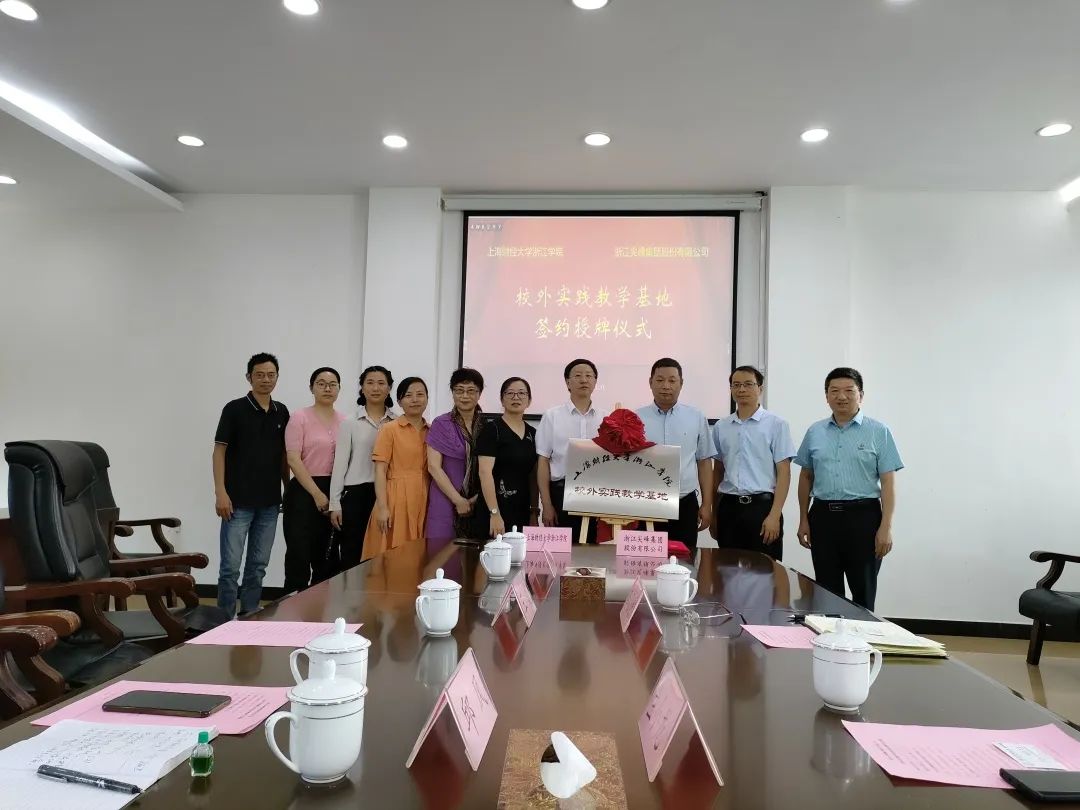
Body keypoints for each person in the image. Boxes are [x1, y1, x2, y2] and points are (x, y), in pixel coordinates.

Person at [795, 367, 903, 611]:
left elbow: (888, 483)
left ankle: (863, 636)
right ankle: (830, 635)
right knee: (826, 592)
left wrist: (886, 527)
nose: (841, 396)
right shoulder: (815, 432)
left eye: (849, 391)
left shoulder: (879, 432)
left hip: (863, 519)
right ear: (826, 396)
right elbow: (806, 476)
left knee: (863, 592)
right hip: (822, 517)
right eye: (834, 391)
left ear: (860, 395)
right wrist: (803, 519)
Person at [212, 353, 290, 617]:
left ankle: (250, 614)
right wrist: (220, 492)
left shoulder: (281, 411)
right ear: (249, 377)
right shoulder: (234, 409)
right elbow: (219, 452)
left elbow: (283, 456)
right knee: (230, 567)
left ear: (277, 377)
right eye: (259, 375)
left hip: (269, 503)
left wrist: (287, 487)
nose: (266, 380)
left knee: (258, 565)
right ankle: (223, 619)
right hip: (237, 502)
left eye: (271, 375)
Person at [711, 365, 796, 561]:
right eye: (736, 385)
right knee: (727, 569)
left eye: (748, 384)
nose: (742, 389)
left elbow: (784, 473)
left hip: (762, 508)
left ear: (760, 388)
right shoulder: (722, 426)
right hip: (729, 507)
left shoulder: (776, 425)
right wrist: (715, 514)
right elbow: (718, 472)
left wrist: (774, 515)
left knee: (765, 570)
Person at [635, 358, 715, 551]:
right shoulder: (636, 418)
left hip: (685, 503)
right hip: (646, 503)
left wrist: (707, 505)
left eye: (672, 380)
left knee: (684, 560)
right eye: (660, 380)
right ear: (650, 382)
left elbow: (704, 462)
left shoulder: (696, 417)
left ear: (681, 383)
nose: (666, 386)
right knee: (645, 560)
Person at [283, 367, 347, 593]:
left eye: (332, 384)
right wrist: (317, 494)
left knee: (328, 556)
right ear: (311, 388)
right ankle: (293, 609)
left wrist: (333, 496)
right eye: (321, 383)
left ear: (339, 388)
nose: (327, 388)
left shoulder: (345, 421)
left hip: (335, 490)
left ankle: (321, 608)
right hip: (303, 491)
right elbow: (293, 459)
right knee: (299, 554)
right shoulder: (299, 417)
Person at [329, 365, 396, 571]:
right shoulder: (349, 422)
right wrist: (335, 503)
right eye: (370, 383)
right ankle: (351, 592)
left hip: (386, 494)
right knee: (352, 551)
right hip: (355, 494)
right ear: (362, 387)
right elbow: (340, 465)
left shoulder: (397, 422)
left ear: (389, 388)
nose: (375, 388)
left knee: (383, 552)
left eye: (381, 383)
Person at [536, 359, 603, 543]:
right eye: (578, 375)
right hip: (562, 493)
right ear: (567, 382)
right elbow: (543, 461)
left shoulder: (605, 418)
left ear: (595, 382)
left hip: (597, 494)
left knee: (594, 552)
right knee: (562, 551)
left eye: (589, 376)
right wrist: (547, 504)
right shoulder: (552, 416)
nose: (584, 380)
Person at [363, 376, 430, 560]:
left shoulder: (431, 430)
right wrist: (382, 507)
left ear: (427, 398)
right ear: (399, 401)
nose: (415, 399)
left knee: (419, 555)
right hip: (395, 498)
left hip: (424, 497)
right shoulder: (389, 429)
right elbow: (380, 471)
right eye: (408, 395)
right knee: (394, 556)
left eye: (420, 394)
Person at [425, 368, 485, 550]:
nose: (465, 396)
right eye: (459, 390)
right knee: (441, 553)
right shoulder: (441, 423)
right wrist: (458, 500)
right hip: (445, 499)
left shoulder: (487, 425)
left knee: (475, 557)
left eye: (471, 391)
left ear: (479, 393)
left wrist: (477, 498)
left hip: (478, 500)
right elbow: (433, 467)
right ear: (452, 392)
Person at [477, 377, 538, 537]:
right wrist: (494, 513)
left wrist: (534, 512)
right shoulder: (492, 430)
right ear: (502, 399)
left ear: (529, 400)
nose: (516, 397)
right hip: (495, 510)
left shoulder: (533, 433)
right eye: (510, 393)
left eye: (521, 393)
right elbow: (484, 473)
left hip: (522, 509)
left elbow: (533, 475)